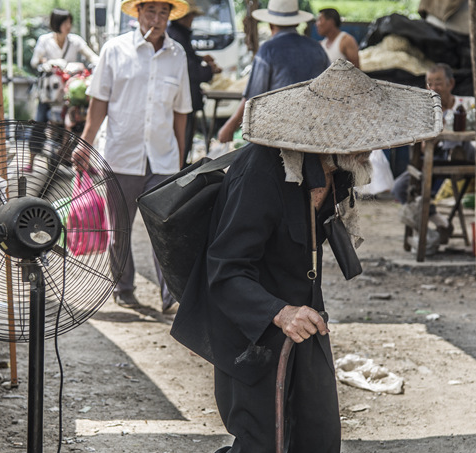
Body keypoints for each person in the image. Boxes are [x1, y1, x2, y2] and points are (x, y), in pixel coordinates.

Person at [168, 60, 440, 453]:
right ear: (328, 136)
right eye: (363, 142)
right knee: (259, 440)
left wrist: (302, 310)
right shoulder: (261, 171)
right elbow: (226, 271)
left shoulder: (331, 171)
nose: (371, 153)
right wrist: (279, 313)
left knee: (318, 435)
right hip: (249, 321)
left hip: (303, 315)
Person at [74, 0, 192, 314]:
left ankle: (172, 295)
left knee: (166, 229)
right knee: (120, 228)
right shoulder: (115, 50)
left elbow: (181, 112)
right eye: (150, 11)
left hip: (163, 158)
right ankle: (123, 287)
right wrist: (85, 144)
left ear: (170, 17)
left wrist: (180, 161)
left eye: (163, 12)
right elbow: (99, 103)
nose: (157, 18)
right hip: (121, 154)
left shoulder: (177, 55)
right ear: (138, 14)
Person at [217, 0, 329, 143]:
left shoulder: (268, 50)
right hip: (314, 132)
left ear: (271, 25)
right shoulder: (317, 48)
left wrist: (230, 126)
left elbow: (253, 98)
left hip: (279, 134)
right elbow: (329, 88)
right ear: (296, 23)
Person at [392, 63, 473, 246]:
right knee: (400, 188)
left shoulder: (464, 106)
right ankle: (441, 223)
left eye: (438, 82)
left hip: (456, 160)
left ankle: (437, 227)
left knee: (424, 190)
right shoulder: (425, 111)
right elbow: (420, 148)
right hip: (430, 161)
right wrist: (429, 141)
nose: (433, 88)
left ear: (450, 84)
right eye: (429, 83)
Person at [27, 9, 99, 172]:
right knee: (39, 123)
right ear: (57, 23)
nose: (68, 26)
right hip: (50, 92)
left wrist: (99, 63)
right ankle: (31, 161)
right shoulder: (45, 40)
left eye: (69, 22)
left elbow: (91, 56)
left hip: (69, 91)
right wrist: (50, 62)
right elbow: (34, 62)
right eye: (65, 22)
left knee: (83, 121)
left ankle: (87, 161)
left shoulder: (75, 41)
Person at [167, 4, 221, 164]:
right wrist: (209, 70)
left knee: (182, 145)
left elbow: (189, 58)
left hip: (185, 99)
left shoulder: (179, 35)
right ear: (183, 17)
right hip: (182, 100)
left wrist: (202, 59)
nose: (192, 21)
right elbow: (191, 71)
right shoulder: (176, 36)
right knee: (180, 147)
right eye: (190, 17)